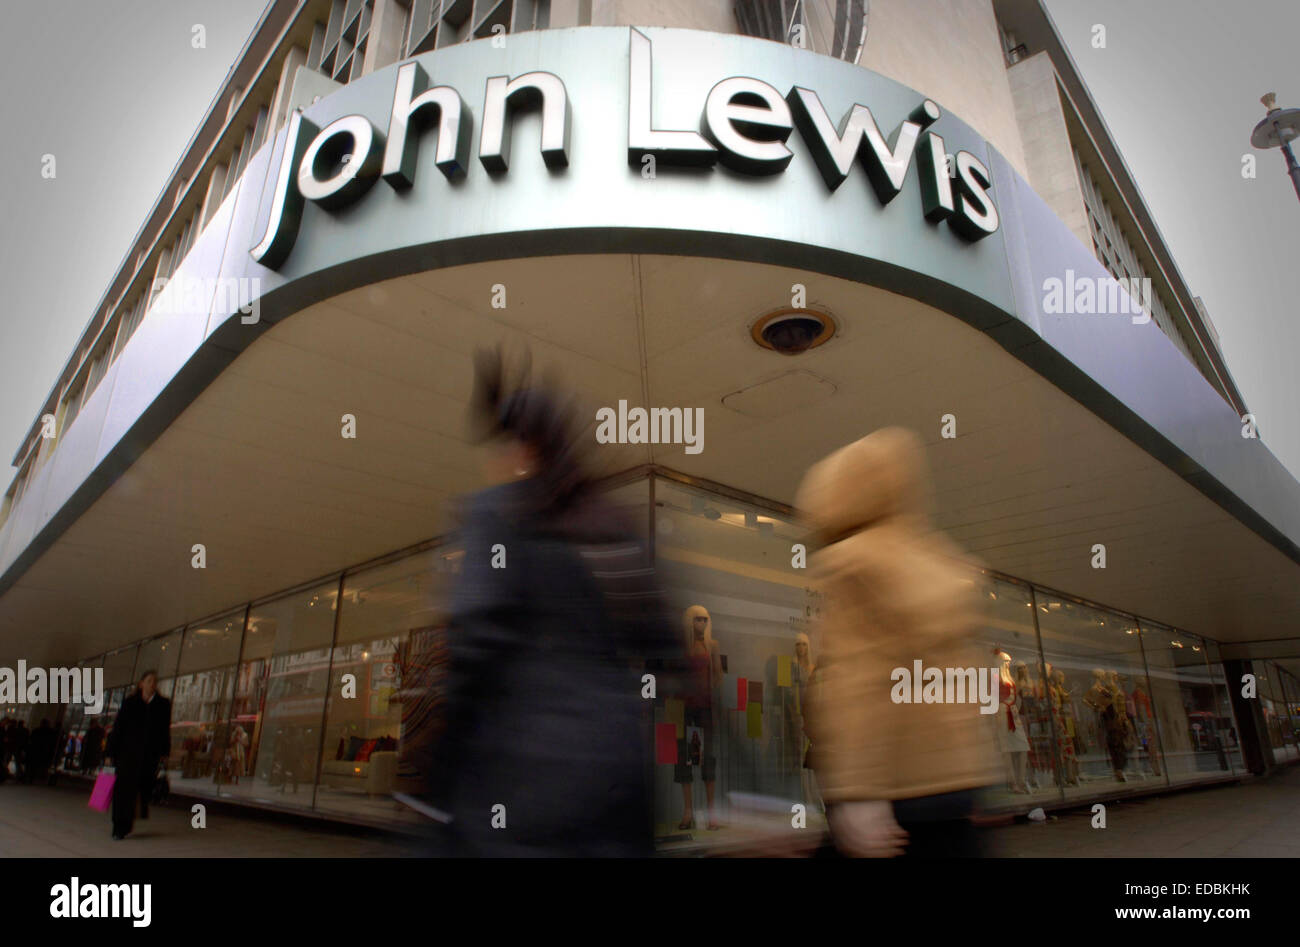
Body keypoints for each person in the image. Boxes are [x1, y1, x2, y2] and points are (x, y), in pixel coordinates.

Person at [429, 346, 678, 857]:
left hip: (520, 783)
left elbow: (474, 646)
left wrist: (438, 781)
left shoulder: (497, 515)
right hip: (616, 782)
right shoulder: (614, 525)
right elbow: (667, 649)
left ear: (524, 449)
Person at [796, 428, 996, 858]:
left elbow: (859, 682)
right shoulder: (938, 562)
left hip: (895, 785)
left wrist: (857, 791)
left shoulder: (853, 563)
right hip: (956, 781)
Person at [105, 670, 172, 840]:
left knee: (141, 788)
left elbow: (164, 731)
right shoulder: (130, 703)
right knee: (123, 791)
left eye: (155, 681)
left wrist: (164, 753)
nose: (152, 684)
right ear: (141, 683)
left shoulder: (162, 705)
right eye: (149, 681)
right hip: (127, 755)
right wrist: (110, 753)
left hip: (149, 757)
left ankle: (129, 820)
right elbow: (118, 728)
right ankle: (119, 826)